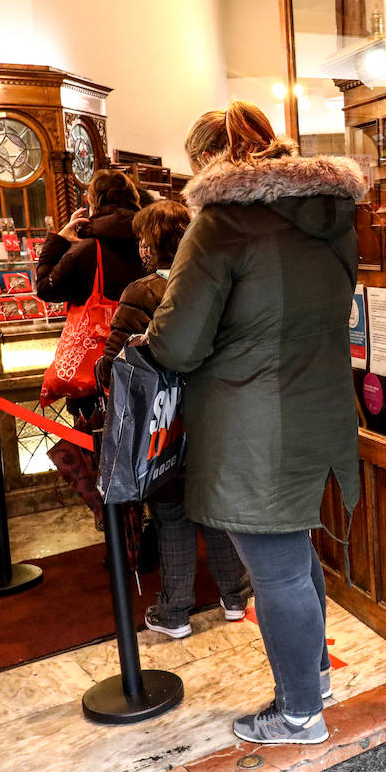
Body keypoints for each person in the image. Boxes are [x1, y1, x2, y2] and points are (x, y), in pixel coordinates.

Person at [144, 101, 365, 745]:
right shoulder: (332, 217)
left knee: (276, 569)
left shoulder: (221, 225)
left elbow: (179, 345)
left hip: (250, 422)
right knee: (293, 555)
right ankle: (314, 676)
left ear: (205, 162)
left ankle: (298, 713)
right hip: (317, 409)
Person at [96, 199, 253, 637]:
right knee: (214, 508)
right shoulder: (215, 281)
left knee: (172, 515)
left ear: (150, 243)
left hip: (163, 426)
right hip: (214, 416)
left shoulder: (141, 291)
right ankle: (236, 595)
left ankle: (176, 609)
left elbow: (114, 366)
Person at [36, 169, 146, 424]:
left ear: (93, 201)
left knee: (94, 439)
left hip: (95, 372)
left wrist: (59, 241)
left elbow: (46, 288)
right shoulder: (149, 240)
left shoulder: (87, 249)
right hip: (145, 362)